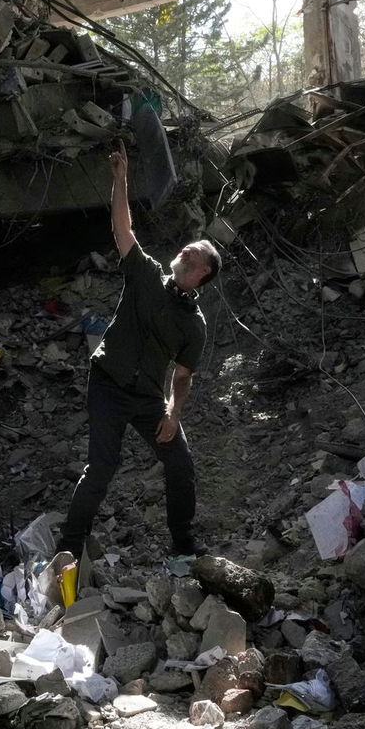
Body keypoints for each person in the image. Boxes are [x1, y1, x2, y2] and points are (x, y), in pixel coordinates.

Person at [60, 141, 221, 561]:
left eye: (195, 252)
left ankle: (183, 546)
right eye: (189, 247)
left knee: (180, 464)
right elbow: (122, 230)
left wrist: (173, 412)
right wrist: (120, 181)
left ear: (202, 273)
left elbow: (182, 377)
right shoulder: (146, 275)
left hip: (149, 398)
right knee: (101, 469)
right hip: (109, 385)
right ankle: (69, 549)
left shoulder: (194, 325)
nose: (185, 249)